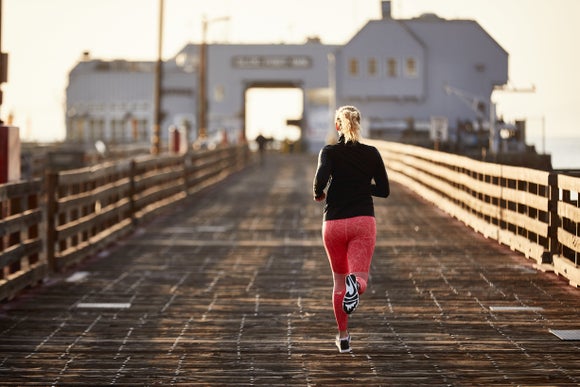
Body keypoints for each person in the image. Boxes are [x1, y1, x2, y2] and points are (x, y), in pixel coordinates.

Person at [312, 105, 390, 353]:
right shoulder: (372, 153)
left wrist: (318, 193)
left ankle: (343, 338)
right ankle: (355, 285)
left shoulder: (329, 151)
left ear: (338, 126)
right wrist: (361, 187)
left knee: (338, 283)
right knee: (359, 278)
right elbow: (384, 190)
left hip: (333, 223)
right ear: (359, 124)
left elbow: (320, 178)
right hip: (362, 222)